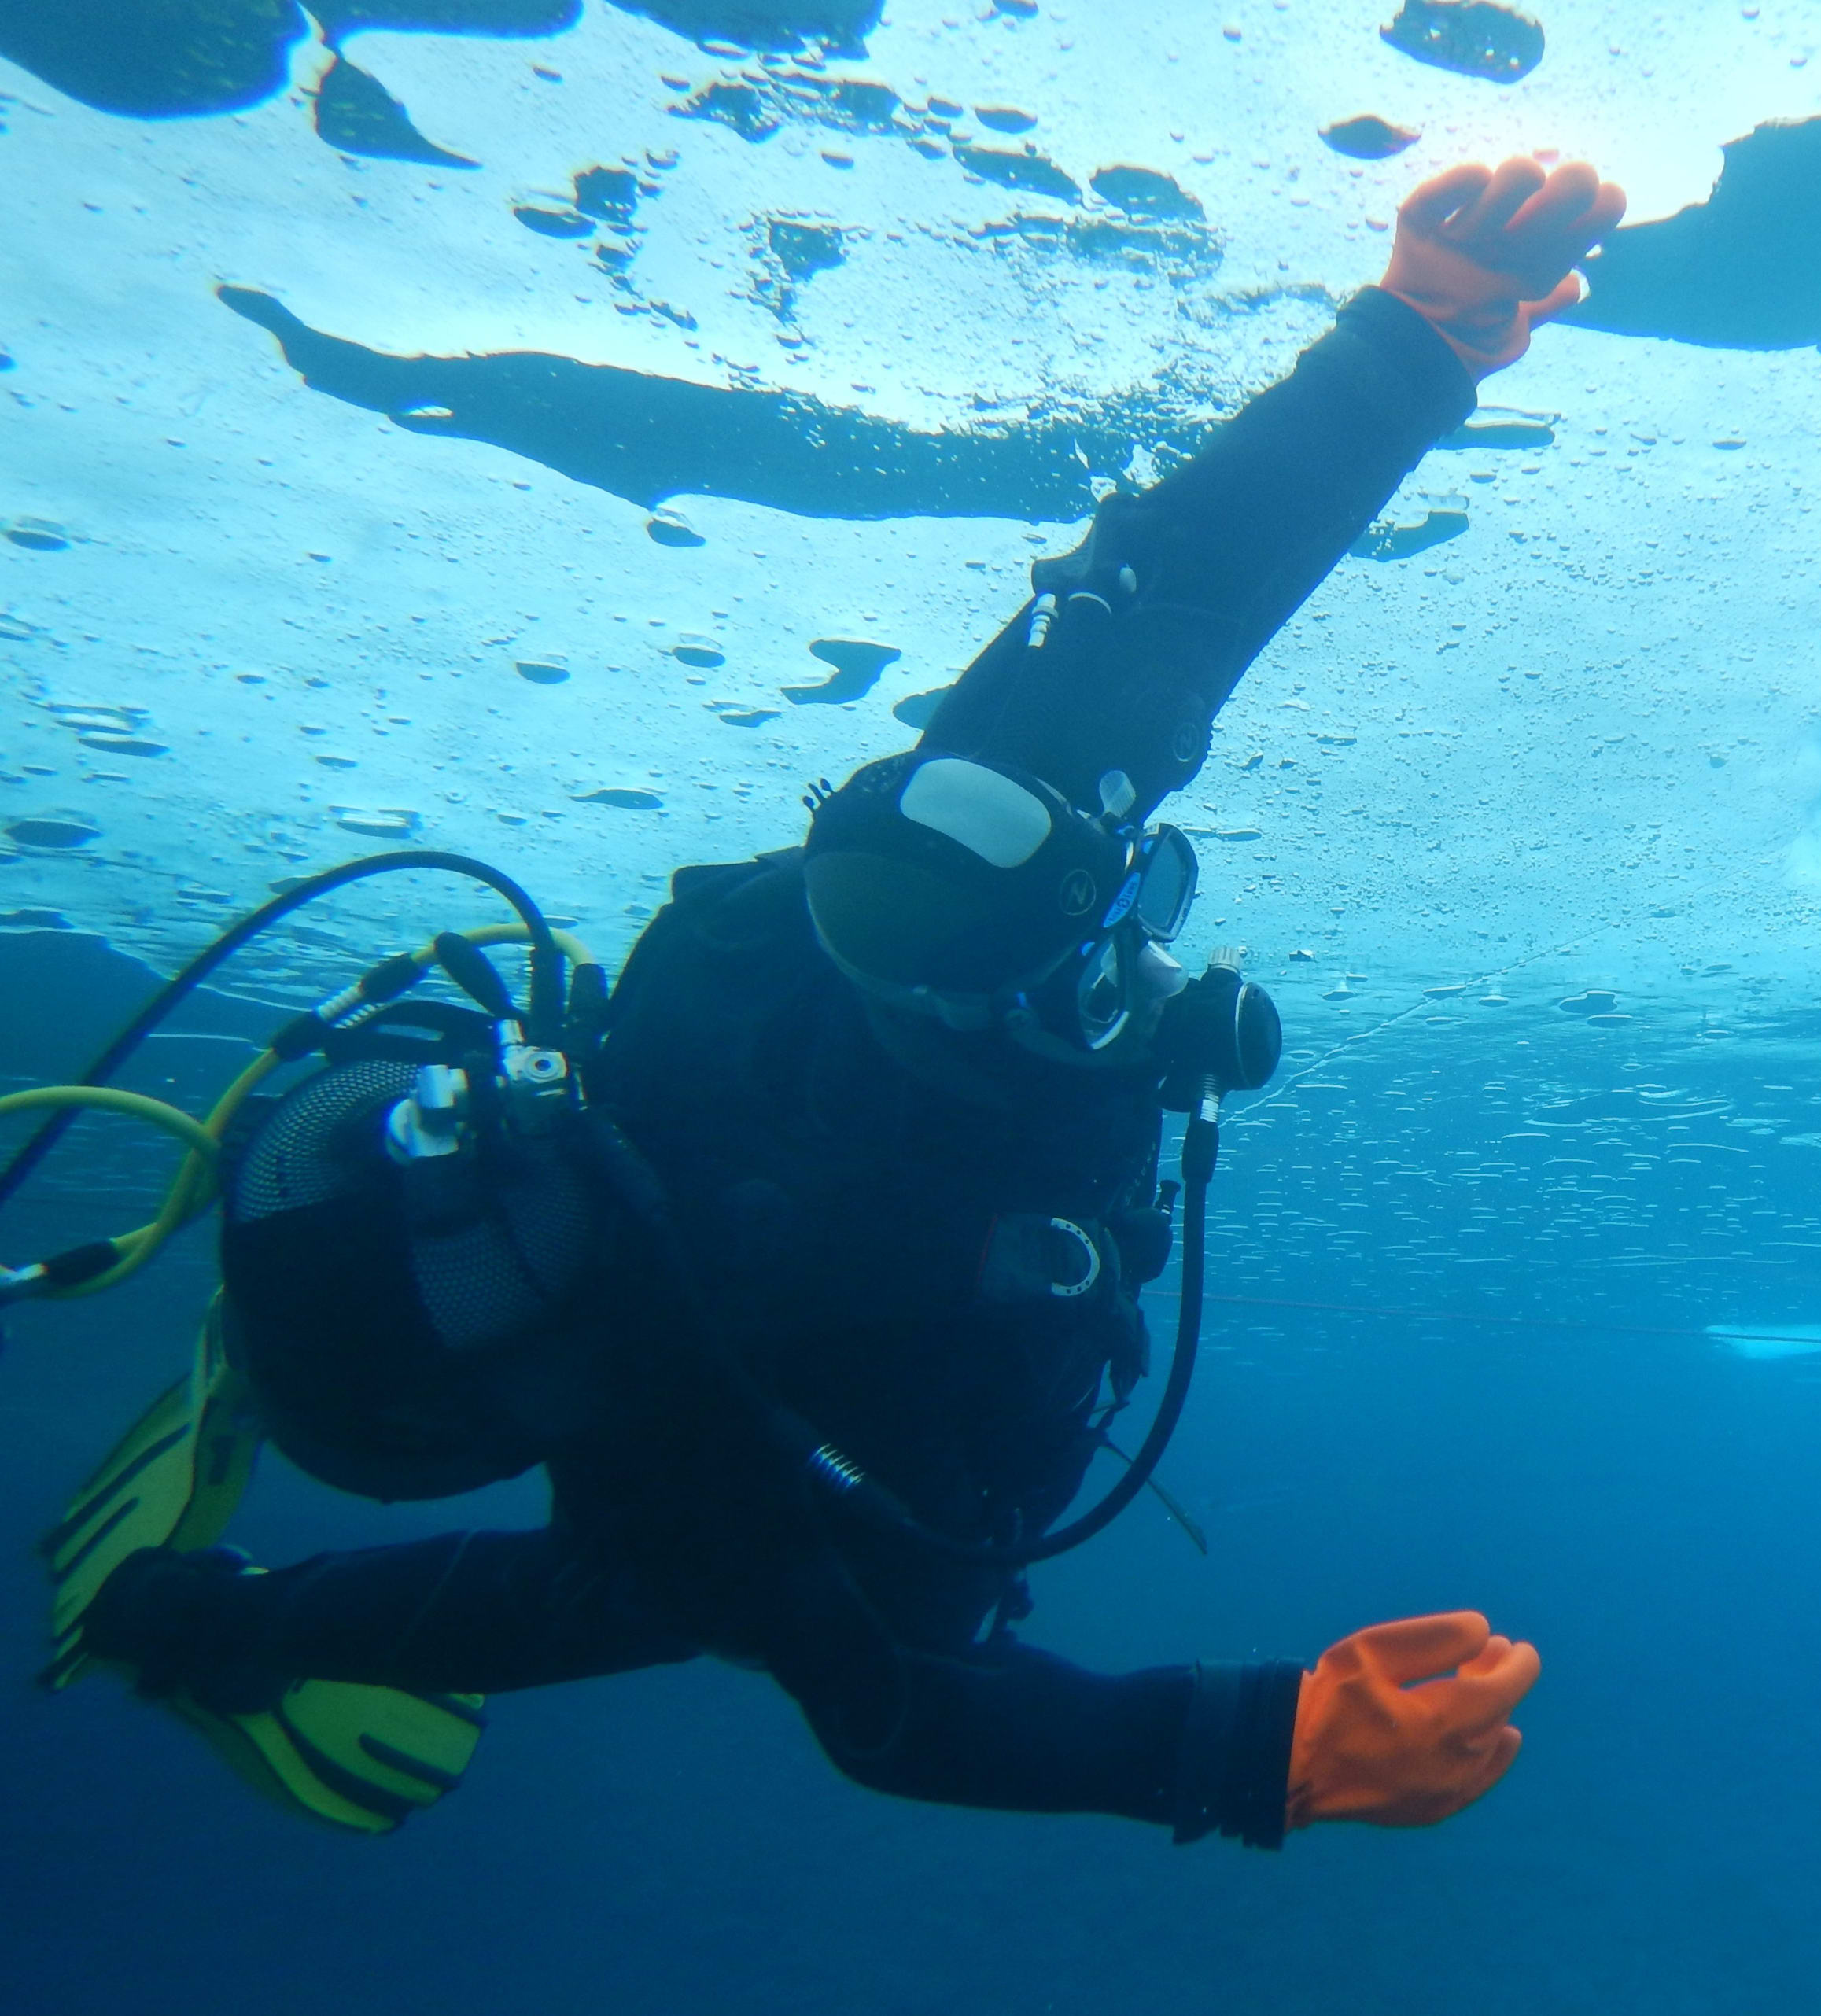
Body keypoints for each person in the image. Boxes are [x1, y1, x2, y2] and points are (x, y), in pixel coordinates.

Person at [58, 156, 1628, 1848]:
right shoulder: (761, 1299)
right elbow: (883, 1702)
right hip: (732, 1373)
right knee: (664, 1591)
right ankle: (209, 1631)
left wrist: (1414, 338)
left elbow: (1181, 579)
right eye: (1089, 974)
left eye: (1114, 909)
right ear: (983, 1011)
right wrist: (1257, 1748)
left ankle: (256, 1387)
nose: (1139, 970)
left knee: (696, 1569)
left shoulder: (969, 833)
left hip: (666, 1200)